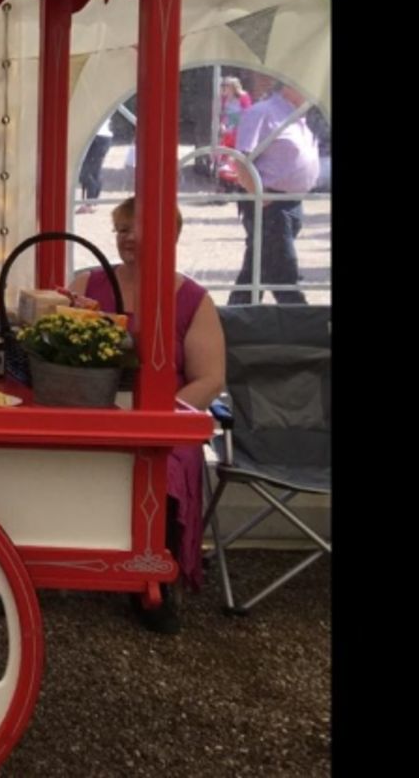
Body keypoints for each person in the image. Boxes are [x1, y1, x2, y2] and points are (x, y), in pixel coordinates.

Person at [71, 197, 226, 597]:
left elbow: (209, 380)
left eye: (139, 229)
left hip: (165, 421)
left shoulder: (195, 300)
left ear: (170, 238)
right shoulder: (85, 285)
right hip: (92, 413)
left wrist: (159, 417)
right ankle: (45, 563)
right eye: (122, 229)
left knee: (167, 463)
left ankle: (156, 573)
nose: (128, 237)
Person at [229, 74, 319, 305]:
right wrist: (259, 196)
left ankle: (236, 318)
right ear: (290, 85)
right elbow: (241, 160)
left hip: (291, 202)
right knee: (283, 269)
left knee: (259, 265)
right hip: (269, 201)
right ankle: (300, 320)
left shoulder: (297, 115)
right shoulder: (263, 112)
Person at [77, 116, 116, 212]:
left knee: (87, 173)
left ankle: (90, 202)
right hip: (100, 137)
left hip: (98, 137)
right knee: (94, 171)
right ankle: (92, 202)